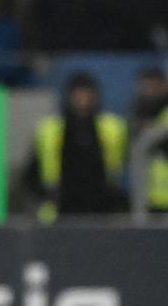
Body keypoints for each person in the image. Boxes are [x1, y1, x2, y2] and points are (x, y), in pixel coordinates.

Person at [25, 72, 127, 220]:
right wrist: (48, 195)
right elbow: (31, 176)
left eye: (87, 95)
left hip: (102, 209)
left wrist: (116, 197)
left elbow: (125, 167)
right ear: (68, 97)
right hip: (59, 210)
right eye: (78, 96)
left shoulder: (113, 127)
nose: (82, 101)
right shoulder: (50, 129)